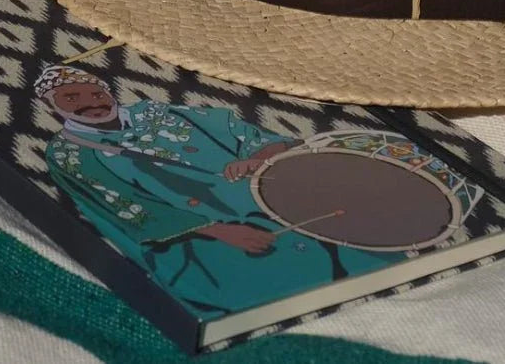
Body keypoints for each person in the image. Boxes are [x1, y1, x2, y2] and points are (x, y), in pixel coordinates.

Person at [34, 65, 399, 315]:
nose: (91, 101)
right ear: (51, 106)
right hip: (198, 239)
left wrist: (258, 158)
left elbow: (257, 138)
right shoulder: (69, 154)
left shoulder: (159, 113)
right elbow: (126, 210)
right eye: (72, 97)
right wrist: (223, 231)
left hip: (270, 199)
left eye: (95, 91)